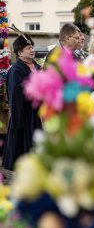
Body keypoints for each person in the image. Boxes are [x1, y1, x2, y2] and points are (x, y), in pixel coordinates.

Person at [2, 34, 42, 170]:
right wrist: (34, 86)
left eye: (32, 47)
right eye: (28, 48)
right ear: (19, 52)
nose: (32, 50)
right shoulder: (15, 70)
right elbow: (16, 91)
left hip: (37, 111)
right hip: (24, 113)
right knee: (23, 144)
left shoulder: (36, 66)